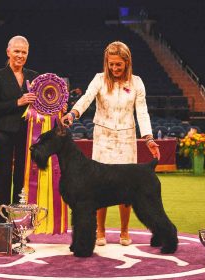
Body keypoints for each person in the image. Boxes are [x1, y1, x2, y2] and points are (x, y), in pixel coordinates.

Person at [61, 41, 160, 246]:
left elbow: (142, 111)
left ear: (127, 63)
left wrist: (148, 138)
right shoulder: (98, 79)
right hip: (103, 137)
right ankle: (100, 231)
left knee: (128, 186)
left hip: (126, 138)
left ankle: (124, 231)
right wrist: (73, 113)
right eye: (111, 64)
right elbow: (86, 99)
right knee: (98, 185)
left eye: (118, 65)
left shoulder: (137, 83)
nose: (114, 68)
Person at [0, 36, 38, 223]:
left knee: (22, 179)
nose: (20, 55)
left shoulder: (34, 76)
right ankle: (2, 224)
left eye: (24, 52)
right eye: (16, 51)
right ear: (8, 52)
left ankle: (20, 224)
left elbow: (42, 104)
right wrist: (18, 102)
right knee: (2, 179)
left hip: (28, 135)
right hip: (3, 134)